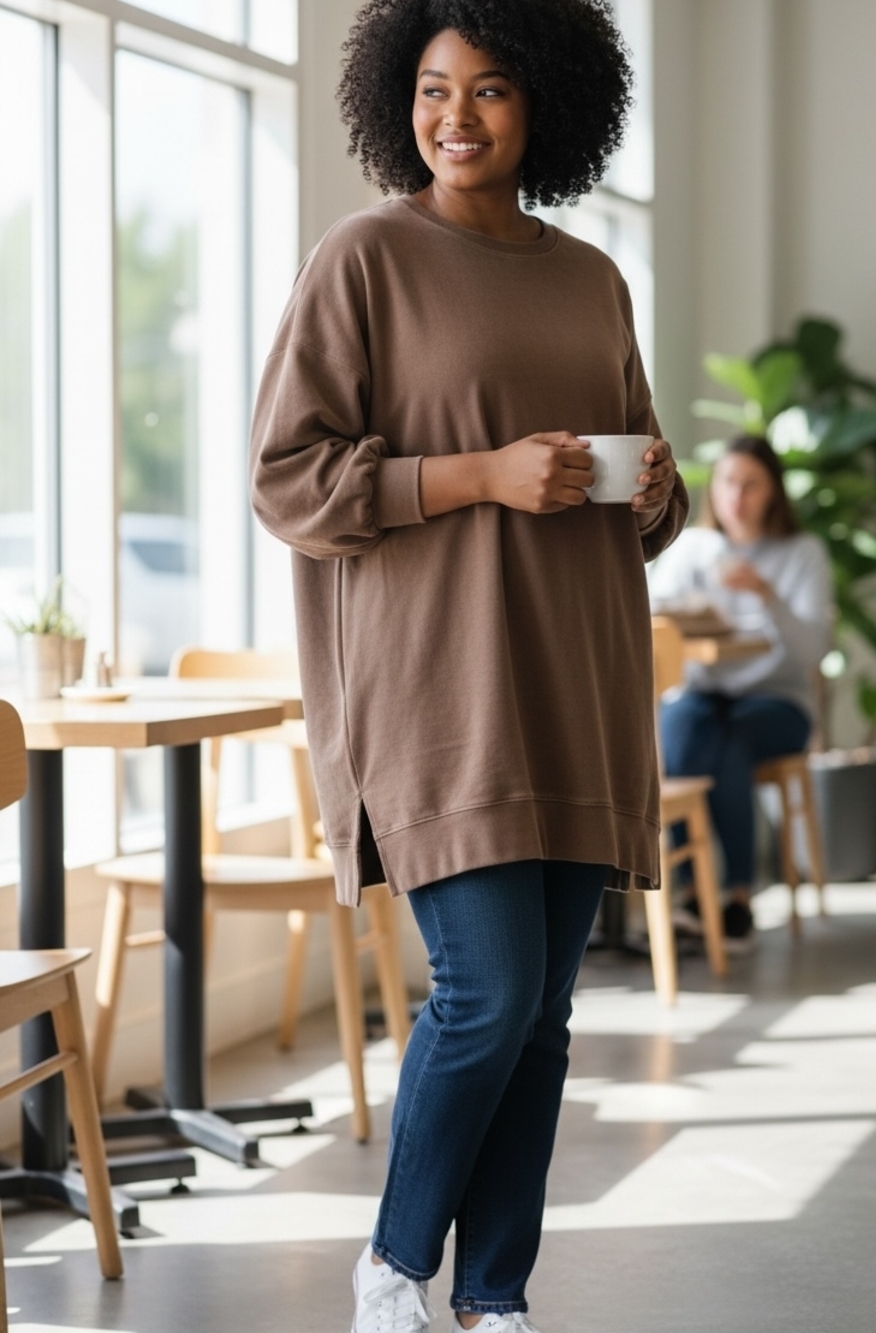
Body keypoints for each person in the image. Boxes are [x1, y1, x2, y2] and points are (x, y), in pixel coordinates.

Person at [249, 2, 688, 1329]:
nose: (458, 117)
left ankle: (495, 1296)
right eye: (435, 89)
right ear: (400, 104)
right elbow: (288, 477)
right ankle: (394, 1265)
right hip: (439, 692)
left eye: (491, 90)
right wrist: (476, 477)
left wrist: (650, 486)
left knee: (545, 1017)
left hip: (577, 682)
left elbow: (648, 495)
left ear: (546, 104)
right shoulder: (365, 258)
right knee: (489, 993)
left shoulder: (592, 276)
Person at [648, 433, 833, 952]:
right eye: (729, 482)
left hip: (780, 701)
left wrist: (767, 597)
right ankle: (692, 893)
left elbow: (811, 650)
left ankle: (735, 897)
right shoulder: (694, 549)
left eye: (752, 484)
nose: (738, 496)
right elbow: (654, 620)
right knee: (679, 725)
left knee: (728, 735)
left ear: (774, 491)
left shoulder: (801, 554)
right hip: (707, 694)